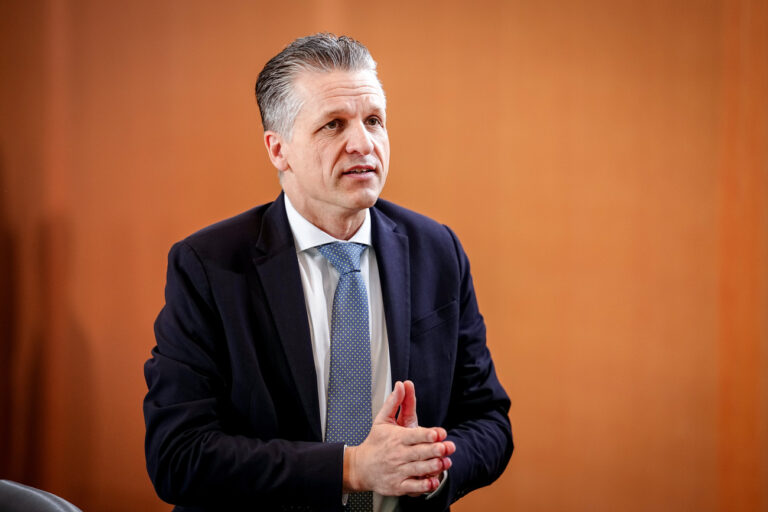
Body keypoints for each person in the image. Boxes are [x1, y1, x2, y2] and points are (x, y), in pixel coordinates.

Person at [144, 33, 513, 512]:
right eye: (333, 125)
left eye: (374, 120)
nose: (363, 143)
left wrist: (428, 465)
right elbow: (178, 455)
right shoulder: (208, 266)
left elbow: (489, 420)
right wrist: (351, 468)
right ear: (279, 150)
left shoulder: (437, 250)